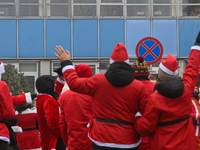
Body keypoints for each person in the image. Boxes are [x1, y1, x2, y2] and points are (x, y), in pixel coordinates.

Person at [55, 43, 149, 150]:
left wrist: (66, 63)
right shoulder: (138, 87)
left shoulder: (98, 81)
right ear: (128, 64)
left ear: (110, 63)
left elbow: (74, 83)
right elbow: (146, 114)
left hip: (101, 138)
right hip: (129, 140)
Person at [133, 32, 200, 150]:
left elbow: (145, 128)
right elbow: (192, 68)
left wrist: (137, 117)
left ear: (160, 76)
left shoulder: (155, 99)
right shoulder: (187, 89)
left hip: (162, 145)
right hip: (187, 145)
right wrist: (197, 46)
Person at [59, 64, 94, 150]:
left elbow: (63, 123)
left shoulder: (65, 96)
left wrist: (67, 142)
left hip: (74, 143)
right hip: (94, 142)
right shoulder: (95, 93)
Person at [36, 75, 65, 150]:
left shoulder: (41, 97)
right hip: (54, 138)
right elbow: (53, 122)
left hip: (46, 135)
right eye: (53, 83)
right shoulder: (49, 100)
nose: (55, 85)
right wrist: (64, 135)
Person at [132, 56, 155, 150]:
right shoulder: (156, 88)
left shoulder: (128, 88)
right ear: (148, 74)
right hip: (152, 137)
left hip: (132, 138)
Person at [191, 85, 200, 150]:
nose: (195, 90)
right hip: (193, 129)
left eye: (196, 88)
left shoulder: (197, 101)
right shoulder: (188, 100)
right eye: (193, 88)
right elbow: (185, 115)